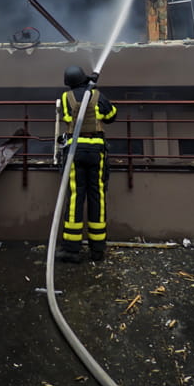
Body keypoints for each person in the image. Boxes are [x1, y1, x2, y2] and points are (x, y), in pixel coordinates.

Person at [57, 64, 117, 263]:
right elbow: (111, 116)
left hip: (75, 150)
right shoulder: (97, 95)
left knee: (75, 196)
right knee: (97, 195)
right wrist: (94, 93)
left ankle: (72, 250)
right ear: (84, 78)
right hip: (96, 150)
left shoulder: (66, 98)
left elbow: (66, 117)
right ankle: (97, 249)